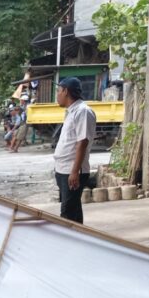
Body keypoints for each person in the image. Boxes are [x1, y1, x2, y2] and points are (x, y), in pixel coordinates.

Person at [53, 76, 96, 223]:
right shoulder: (71, 111)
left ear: (65, 91)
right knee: (73, 209)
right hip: (63, 169)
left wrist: (74, 171)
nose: (57, 95)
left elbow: (82, 142)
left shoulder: (82, 111)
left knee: (67, 213)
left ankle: (68, 242)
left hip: (72, 170)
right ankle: (79, 240)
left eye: (58, 91)